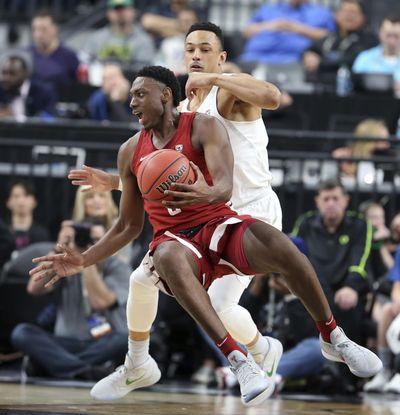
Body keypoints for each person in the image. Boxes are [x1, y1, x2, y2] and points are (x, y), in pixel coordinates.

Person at [32, 66, 381, 406]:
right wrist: (83, 259)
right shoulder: (129, 151)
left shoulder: (204, 126)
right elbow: (128, 226)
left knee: (283, 248)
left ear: (166, 95)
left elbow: (226, 184)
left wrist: (206, 193)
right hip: (177, 241)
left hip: (217, 223)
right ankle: (239, 360)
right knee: (163, 259)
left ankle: (332, 336)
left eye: (140, 94)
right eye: (130, 97)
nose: (132, 103)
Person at [12, 219, 130, 380]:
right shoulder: (64, 263)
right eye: (87, 240)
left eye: (96, 241)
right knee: (22, 332)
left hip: (101, 342)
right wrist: (58, 247)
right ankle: (85, 370)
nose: (90, 245)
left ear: (107, 242)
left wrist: (87, 261)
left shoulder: (118, 267)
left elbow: (101, 302)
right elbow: (34, 289)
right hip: (63, 343)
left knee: (124, 339)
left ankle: (54, 365)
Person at [302, 0, 377, 84]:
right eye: (345, 12)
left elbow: (353, 59)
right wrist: (308, 55)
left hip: (352, 87)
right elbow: (311, 48)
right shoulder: (331, 37)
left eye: (354, 12)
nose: (349, 16)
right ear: (336, 15)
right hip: (320, 86)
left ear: (363, 17)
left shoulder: (369, 39)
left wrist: (320, 63)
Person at [239, 0, 335, 64]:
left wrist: (296, 28)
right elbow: (246, 31)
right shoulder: (268, 9)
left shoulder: (320, 13)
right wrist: (272, 25)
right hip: (254, 59)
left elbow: (330, 37)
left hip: (294, 61)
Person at [82, 0, 155, 70]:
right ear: (108, 13)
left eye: (124, 8)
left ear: (133, 11)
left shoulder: (143, 40)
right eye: (116, 8)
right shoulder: (96, 38)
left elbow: (144, 73)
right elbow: (85, 63)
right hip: (100, 80)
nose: (120, 12)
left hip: (130, 81)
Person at [28, 10, 80, 87]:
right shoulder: (25, 54)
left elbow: (77, 86)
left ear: (55, 30)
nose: (38, 35)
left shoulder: (69, 57)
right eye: (35, 29)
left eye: (43, 29)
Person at [352, 15, 400, 97]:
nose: (392, 40)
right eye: (388, 35)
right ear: (380, 33)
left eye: (396, 36)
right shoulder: (365, 58)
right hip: (370, 105)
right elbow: (354, 85)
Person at [0, 54, 56, 120]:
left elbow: (49, 120)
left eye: (12, 73)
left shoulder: (44, 92)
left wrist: (15, 118)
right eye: (4, 73)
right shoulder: (1, 90)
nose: (6, 78)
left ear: (25, 73)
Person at [4, 180, 50, 251]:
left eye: (26, 195)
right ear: (8, 202)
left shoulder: (41, 234)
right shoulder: (2, 231)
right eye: (16, 196)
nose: (21, 200)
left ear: (34, 201)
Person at [155, 7, 199, 75]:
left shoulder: (205, 45)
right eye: (185, 21)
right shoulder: (168, 44)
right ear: (178, 23)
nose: (188, 24)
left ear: (197, 21)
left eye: (191, 20)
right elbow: (158, 65)